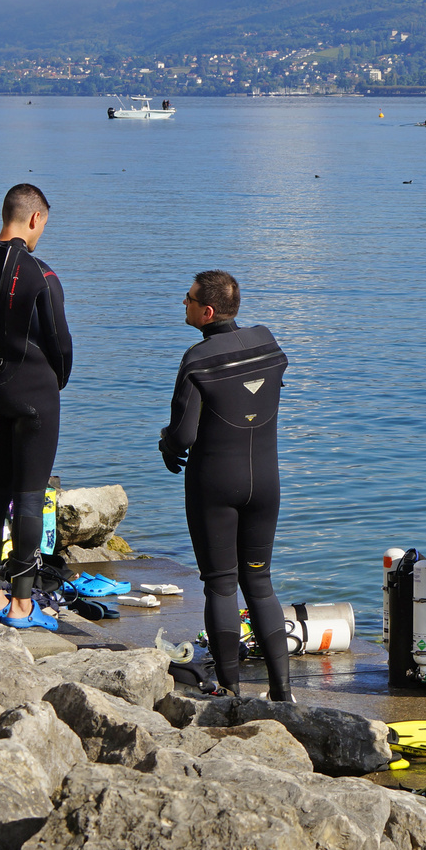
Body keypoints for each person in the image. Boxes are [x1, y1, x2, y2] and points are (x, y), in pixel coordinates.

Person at [159, 270, 294, 700]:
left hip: (214, 483)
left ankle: (231, 691)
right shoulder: (269, 344)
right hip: (266, 482)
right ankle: (282, 691)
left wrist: (165, 443)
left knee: (220, 583)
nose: (184, 302)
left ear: (207, 311)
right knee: (260, 583)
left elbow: (183, 436)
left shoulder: (198, 359)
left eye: (189, 298)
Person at [0, 184, 73, 630]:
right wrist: (53, 381)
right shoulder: (40, 273)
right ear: (34, 218)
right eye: (44, 224)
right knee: (28, 495)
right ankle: (23, 604)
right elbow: (60, 343)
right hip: (35, 392)